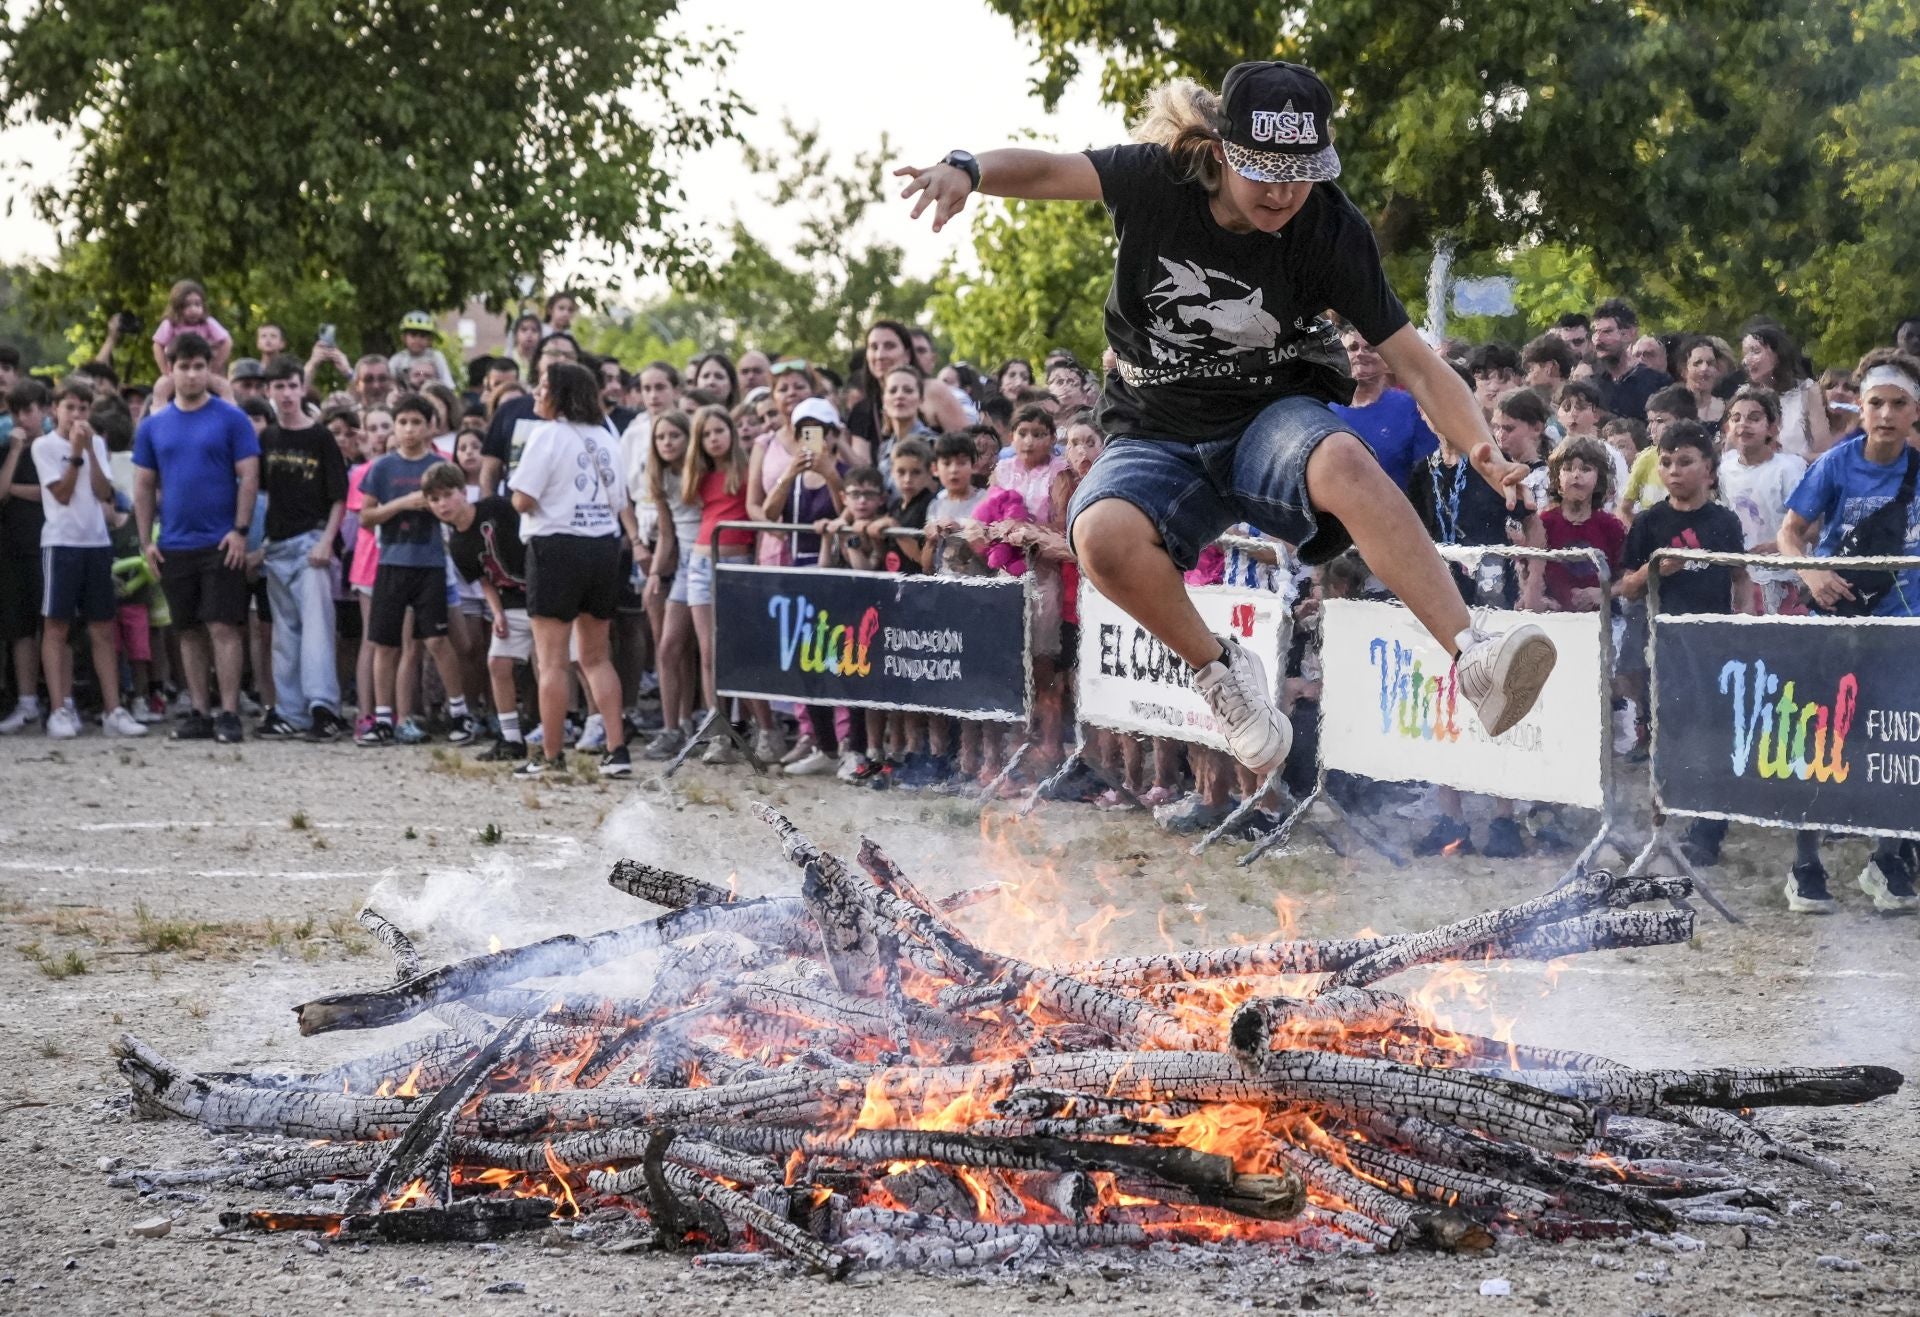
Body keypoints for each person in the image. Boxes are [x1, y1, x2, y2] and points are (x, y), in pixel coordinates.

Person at [896, 61, 1552, 777]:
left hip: (1270, 419)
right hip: (1156, 432)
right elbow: (1052, 171)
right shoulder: (1157, 179)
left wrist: (1480, 442)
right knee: (1099, 534)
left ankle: (1474, 656)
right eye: (1263, 172)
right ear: (1219, 155)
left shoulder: (1330, 228)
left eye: (1298, 175)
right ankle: (1220, 673)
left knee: (1344, 460)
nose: (1281, 193)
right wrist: (968, 168)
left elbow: (1418, 364)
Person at [1775, 349, 1920, 913]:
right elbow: (1790, 532)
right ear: (1858, 409)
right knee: (1824, 736)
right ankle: (1805, 865)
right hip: (1838, 614)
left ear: (1915, 413)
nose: (1886, 414)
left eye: (1898, 404)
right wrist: (1811, 570)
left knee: (1899, 736)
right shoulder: (1836, 464)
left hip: (1905, 620)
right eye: (1876, 403)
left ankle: (1886, 860)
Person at [132, 333, 261, 743]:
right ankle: (199, 712)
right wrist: (145, 541)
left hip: (221, 541)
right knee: (186, 630)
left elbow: (249, 476)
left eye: (199, 366)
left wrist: (240, 531)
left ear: (210, 369)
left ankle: (228, 712)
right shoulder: (153, 426)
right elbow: (143, 487)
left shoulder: (231, 418)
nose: (191, 374)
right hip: (173, 542)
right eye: (183, 366)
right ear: (170, 370)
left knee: (223, 626)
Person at [506, 360, 632, 778]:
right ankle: (617, 750)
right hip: (602, 546)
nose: (537, 393)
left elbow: (522, 499)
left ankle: (550, 754)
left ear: (561, 394)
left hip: (556, 546)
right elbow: (619, 501)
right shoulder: (607, 435)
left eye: (543, 386)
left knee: (552, 661)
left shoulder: (547, 434)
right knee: (596, 657)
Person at [355, 394, 475, 747]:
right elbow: (365, 517)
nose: (409, 429)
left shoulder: (441, 465)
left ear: (430, 426)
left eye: (416, 422)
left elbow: (458, 508)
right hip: (392, 562)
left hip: (431, 562)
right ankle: (382, 718)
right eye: (403, 422)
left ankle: (460, 713)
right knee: (385, 643)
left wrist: (438, 508)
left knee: (437, 640)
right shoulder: (382, 468)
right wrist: (403, 504)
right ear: (395, 426)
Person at [35, 383, 145, 738]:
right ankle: (59, 708)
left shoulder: (97, 443)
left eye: (83, 408)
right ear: (56, 410)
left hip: (96, 543)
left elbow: (102, 493)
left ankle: (114, 709)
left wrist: (91, 453)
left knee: (102, 627)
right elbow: (63, 495)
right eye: (70, 407)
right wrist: (77, 454)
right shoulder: (45, 447)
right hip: (61, 543)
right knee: (57, 627)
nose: (78, 415)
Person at [254, 357, 350, 740]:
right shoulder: (269, 438)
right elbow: (259, 493)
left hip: (312, 543)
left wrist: (327, 540)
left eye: (293, 386)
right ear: (269, 392)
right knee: (285, 633)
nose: (287, 394)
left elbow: (339, 496)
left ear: (301, 388)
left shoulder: (320, 437)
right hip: (278, 545)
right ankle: (290, 712)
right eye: (279, 387)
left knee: (317, 630)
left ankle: (323, 707)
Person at [423, 463, 532, 761]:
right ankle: (511, 737)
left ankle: (591, 722)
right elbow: (484, 581)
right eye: (434, 499)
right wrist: (497, 612)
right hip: (509, 601)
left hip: (540, 593)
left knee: (567, 663)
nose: (442, 504)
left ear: (463, 492)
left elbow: (530, 535)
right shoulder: (457, 543)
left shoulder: (495, 507)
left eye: (448, 495)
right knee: (497, 663)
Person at [1717, 385, 1807, 616]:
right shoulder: (1724, 469)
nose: (1743, 424)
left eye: (1754, 418)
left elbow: (1812, 526)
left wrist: (1778, 546)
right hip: (1743, 576)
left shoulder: (1789, 469)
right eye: (1736, 418)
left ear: (1772, 427)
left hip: (1785, 575)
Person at [1331, 325, 1439, 491]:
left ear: (1387, 359)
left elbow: (1428, 477)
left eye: (1370, 348)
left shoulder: (1412, 408)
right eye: (1352, 348)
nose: (1360, 353)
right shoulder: (1325, 411)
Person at [0, 379, 47, 733]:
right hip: (13, 548)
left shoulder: (53, 447)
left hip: (47, 546)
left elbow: (53, 493)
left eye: (30, 410)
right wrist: (15, 452)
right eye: (18, 412)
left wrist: (13, 489)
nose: (24, 418)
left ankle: (61, 701)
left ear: (43, 411)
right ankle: (27, 702)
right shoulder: (6, 449)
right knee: (20, 630)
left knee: (54, 626)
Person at [1742, 322, 1829, 460]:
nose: (1746, 360)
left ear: (1778, 355)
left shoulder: (1807, 391)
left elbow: (1825, 455)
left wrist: (1782, 462)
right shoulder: (1744, 395)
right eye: (1745, 353)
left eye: (1755, 351)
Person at [148, 280, 233, 407]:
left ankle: (231, 415)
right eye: (187, 306)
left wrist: (215, 366)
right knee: (160, 388)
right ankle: (159, 416)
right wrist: (165, 370)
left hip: (203, 370)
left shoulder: (207, 323)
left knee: (224, 387)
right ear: (177, 307)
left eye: (197, 305)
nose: (194, 310)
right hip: (178, 371)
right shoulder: (171, 324)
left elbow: (227, 342)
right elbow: (157, 345)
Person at [1590, 298, 1670, 421]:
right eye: (1596, 332)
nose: (1598, 339)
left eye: (1607, 332)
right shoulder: (1592, 383)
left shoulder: (1657, 383)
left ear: (1629, 334)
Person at [387, 311, 456, 390]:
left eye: (422, 336)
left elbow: (448, 384)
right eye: (413, 335)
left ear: (430, 340)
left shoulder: (435, 357)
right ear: (403, 338)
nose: (418, 340)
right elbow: (388, 384)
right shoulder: (398, 359)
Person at [1680, 335, 1734, 425]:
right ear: (1684, 370)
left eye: (1710, 363)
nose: (1704, 368)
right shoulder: (1673, 407)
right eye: (1697, 363)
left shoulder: (1729, 409)